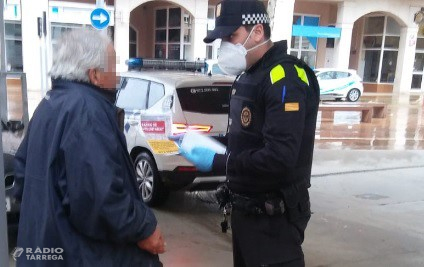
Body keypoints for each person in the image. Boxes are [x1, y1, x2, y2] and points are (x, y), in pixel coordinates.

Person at [179, 0, 320, 266]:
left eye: (231, 36)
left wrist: (219, 161)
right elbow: (246, 136)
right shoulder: (250, 76)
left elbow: (279, 157)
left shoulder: (284, 77)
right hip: (246, 215)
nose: (225, 46)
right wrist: (202, 141)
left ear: (257, 31)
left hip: (274, 221)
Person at [13, 28, 165, 266]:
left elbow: (21, 177)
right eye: (113, 68)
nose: (118, 77)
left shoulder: (49, 104)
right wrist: (144, 228)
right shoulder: (86, 111)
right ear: (94, 75)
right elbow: (100, 199)